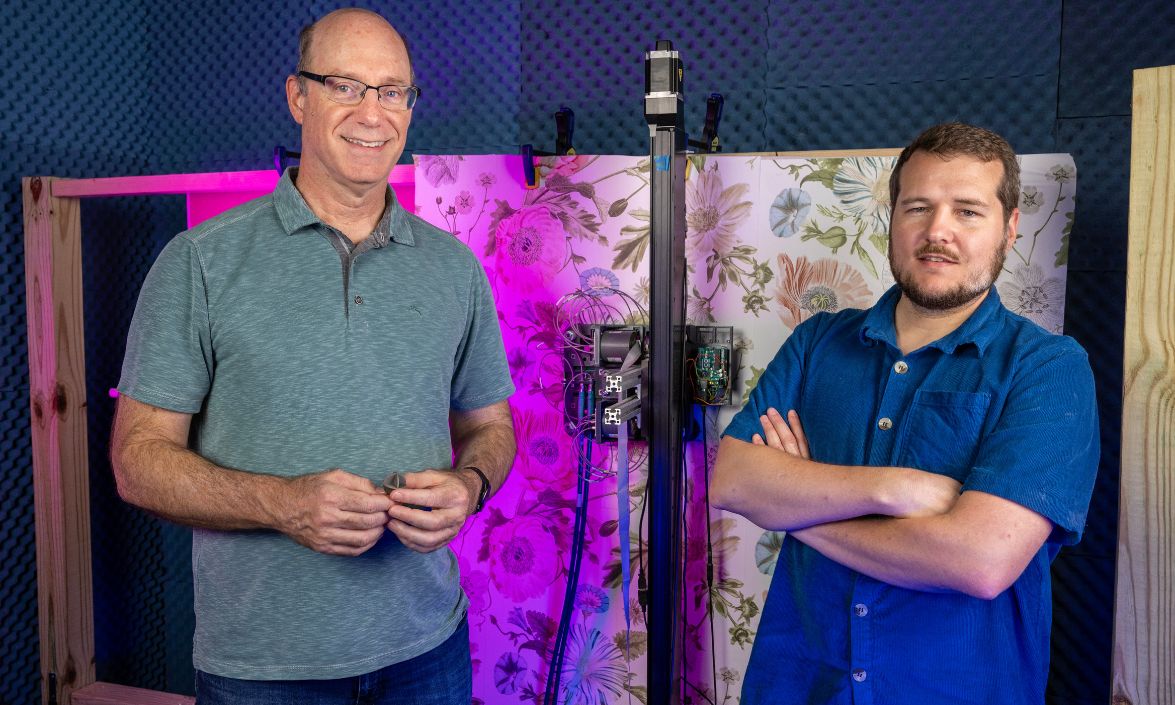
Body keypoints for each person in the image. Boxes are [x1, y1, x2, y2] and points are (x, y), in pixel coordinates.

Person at [110, 8, 515, 704]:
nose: (373, 112)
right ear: (298, 96)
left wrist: (470, 485)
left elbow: (492, 427)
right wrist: (281, 503)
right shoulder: (200, 263)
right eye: (346, 86)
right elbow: (136, 461)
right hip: (262, 669)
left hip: (427, 651)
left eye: (393, 91)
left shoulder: (455, 269)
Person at [712, 122, 1099, 704]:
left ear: (1010, 228)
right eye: (918, 206)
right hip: (798, 686)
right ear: (892, 218)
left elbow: (980, 561)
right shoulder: (818, 342)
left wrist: (796, 508)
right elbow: (735, 480)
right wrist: (897, 489)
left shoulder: (1048, 368)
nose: (937, 231)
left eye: (967, 211)